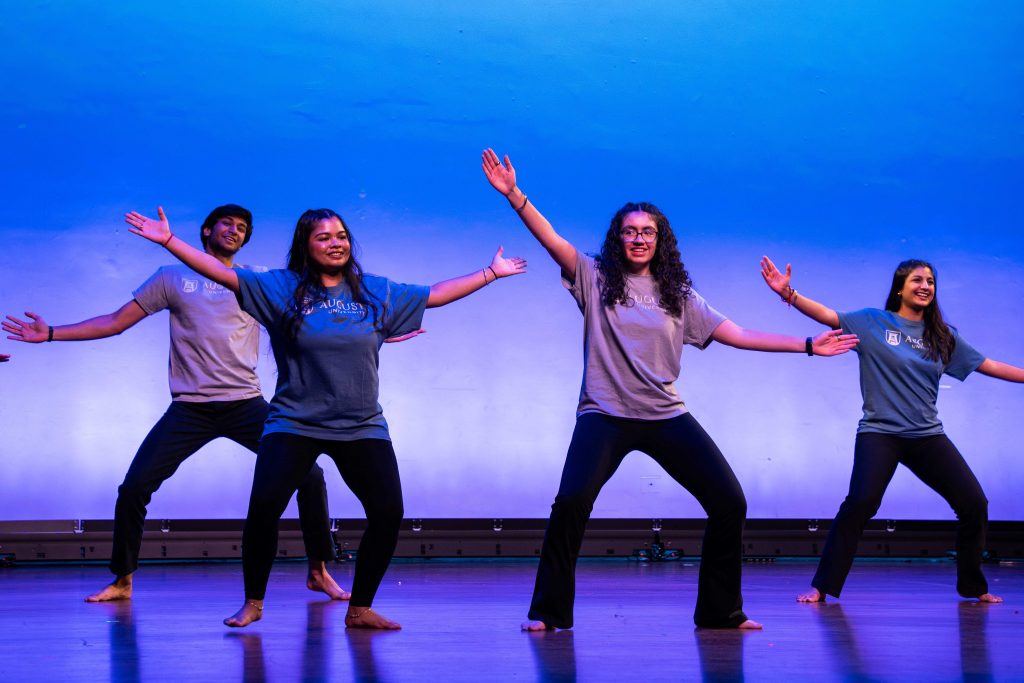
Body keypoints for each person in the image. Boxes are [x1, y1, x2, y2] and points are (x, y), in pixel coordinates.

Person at [481, 149, 858, 630]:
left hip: (664, 415)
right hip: (605, 414)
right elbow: (550, 239)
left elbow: (738, 334)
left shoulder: (679, 295)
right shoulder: (594, 277)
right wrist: (515, 195)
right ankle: (549, 613)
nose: (639, 238)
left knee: (729, 500)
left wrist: (807, 344)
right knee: (571, 501)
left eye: (648, 232)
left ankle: (721, 611)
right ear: (618, 239)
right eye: (630, 231)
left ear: (661, 241)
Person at [125, 206, 527, 629]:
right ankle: (254, 603)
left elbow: (435, 294)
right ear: (306, 245)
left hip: (360, 425)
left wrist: (491, 272)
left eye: (341, 236)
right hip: (294, 423)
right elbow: (222, 273)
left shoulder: (374, 292)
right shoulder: (282, 289)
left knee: (388, 512)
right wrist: (169, 240)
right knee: (264, 508)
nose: (336, 243)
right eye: (324, 237)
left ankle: (360, 608)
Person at [3, 205, 347, 603]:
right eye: (227, 224)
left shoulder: (254, 281)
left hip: (246, 404)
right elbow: (115, 321)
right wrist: (49, 334)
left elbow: (314, 317)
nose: (235, 232)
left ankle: (319, 571)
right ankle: (123, 580)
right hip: (190, 409)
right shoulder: (172, 277)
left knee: (310, 476)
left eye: (242, 228)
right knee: (133, 488)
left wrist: (368, 332)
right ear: (205, 231)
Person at [760, 256, 1024, 604]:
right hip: (880, 433)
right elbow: (828, 315)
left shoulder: (943, 337)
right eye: (917, 280)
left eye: (930, 281)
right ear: (900, 287)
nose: (925, 286)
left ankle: (974, 586)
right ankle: (822, 587)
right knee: (861, 502)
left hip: (926, 435)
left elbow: (988, 365)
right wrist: (788, 293)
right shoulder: (873, 322)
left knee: (974, 502)